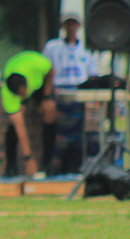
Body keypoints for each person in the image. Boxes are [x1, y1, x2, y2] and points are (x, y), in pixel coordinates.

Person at [41, 12, 97, 172]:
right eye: (68, 24)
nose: (71, 28)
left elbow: (93, 74)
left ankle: (76, 164)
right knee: (59, 133)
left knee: (79, 134)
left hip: (80, 92)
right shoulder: (53, 47)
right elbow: (48, 71)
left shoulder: (86, 49)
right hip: (60, 91)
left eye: (74, 24)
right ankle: (54, 165)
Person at [1, 50, 56, 177]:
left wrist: (46, 96)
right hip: (21, 82)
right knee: (14, 124)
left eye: (24, 93)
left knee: (49, 111)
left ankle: (48, 163)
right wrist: (28, 158)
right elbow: (20, 126)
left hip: (40, 82)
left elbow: (51, 72)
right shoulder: (8, 94)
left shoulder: (37, 65)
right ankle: (10, 165)